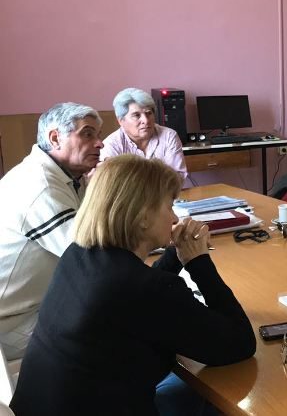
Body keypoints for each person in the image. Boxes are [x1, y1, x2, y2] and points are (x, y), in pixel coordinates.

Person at [10, 155, 256, 415]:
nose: (174, 218)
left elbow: (139, 292)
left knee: (187, 389)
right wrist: (199, 262)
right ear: (143, 217)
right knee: (221, 400)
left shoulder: (79, 255)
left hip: (41, 407)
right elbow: (240, 343)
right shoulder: (146, 289)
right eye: (169, 206)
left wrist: (177, 254)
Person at [0, 102, 103, 360]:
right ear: (55, 138)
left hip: (33, 306)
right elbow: (90, 259)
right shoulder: (41, 185)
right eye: (87, 134)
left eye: (98, 135)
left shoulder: (67, 177)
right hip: (10, 323)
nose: (100, 143)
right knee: (115, 327)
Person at [101, 87, 188, 181]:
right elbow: (114, 183)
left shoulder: (169, 136)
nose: (146, 120)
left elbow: (177, 178)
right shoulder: (110, 145)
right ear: (121, 121)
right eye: (136, 115)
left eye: (149, 113)